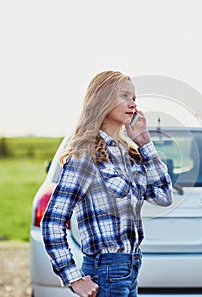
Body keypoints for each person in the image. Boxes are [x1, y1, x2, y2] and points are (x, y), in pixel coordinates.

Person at [41, 70, 173, 297]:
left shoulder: (129, 154)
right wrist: (73, 278)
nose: (133, 103)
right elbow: (52, 222)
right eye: (125, 96)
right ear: (102, 100)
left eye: (134, 97)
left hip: (130, 268)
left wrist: (144, 143)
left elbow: (164, 196)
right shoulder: (85, 156)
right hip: (105, 271)